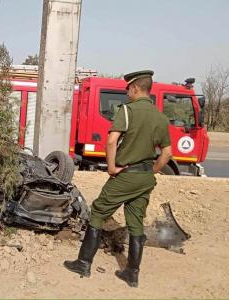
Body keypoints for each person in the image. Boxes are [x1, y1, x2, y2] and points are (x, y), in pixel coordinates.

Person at [63, 70, 172, 288]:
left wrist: (112, 168)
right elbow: (167, 153)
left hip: (126, 176)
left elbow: (111, 141)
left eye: (127, 89)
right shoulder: (160, 117)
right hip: (145, 178)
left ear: (135, 88)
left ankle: (83, 263)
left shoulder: (127, 112)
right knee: (135, 222)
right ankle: (132, 273)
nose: (126, 93)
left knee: (98, 212)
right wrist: (153, 171)